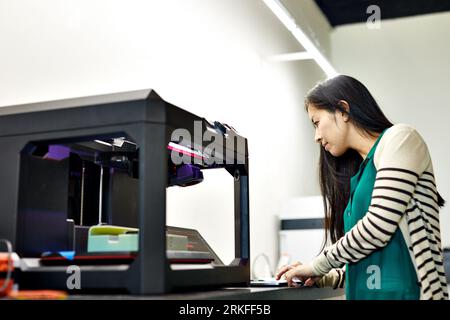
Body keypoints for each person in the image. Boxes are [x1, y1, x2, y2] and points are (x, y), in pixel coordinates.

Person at [276, 75, 448, 300]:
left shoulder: (401, 139)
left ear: (343, 110)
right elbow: (372, 261)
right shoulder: (361, 174)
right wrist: (328, 276)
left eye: (317, 123)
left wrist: (317, 265)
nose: (316, 136)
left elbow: (378, 227)